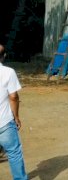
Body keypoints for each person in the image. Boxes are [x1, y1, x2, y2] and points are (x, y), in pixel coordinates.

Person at [0, 45, 27, 180]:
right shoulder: (8, 72)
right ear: (4, 56)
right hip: (4, 121)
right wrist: (16, 117)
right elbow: (13, 97)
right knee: (14, 153)